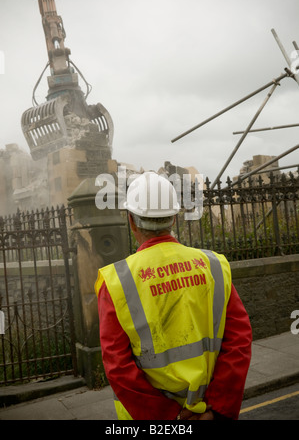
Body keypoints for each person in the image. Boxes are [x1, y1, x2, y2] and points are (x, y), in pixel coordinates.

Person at [95, 172, 252, 420]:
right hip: (209, 411)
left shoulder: (116, 281)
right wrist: (218, 408)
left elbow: (118, 368)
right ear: (174, 219)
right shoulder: (214, 265)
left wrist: (170, 417)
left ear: (131, 221)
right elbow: (239, 342)